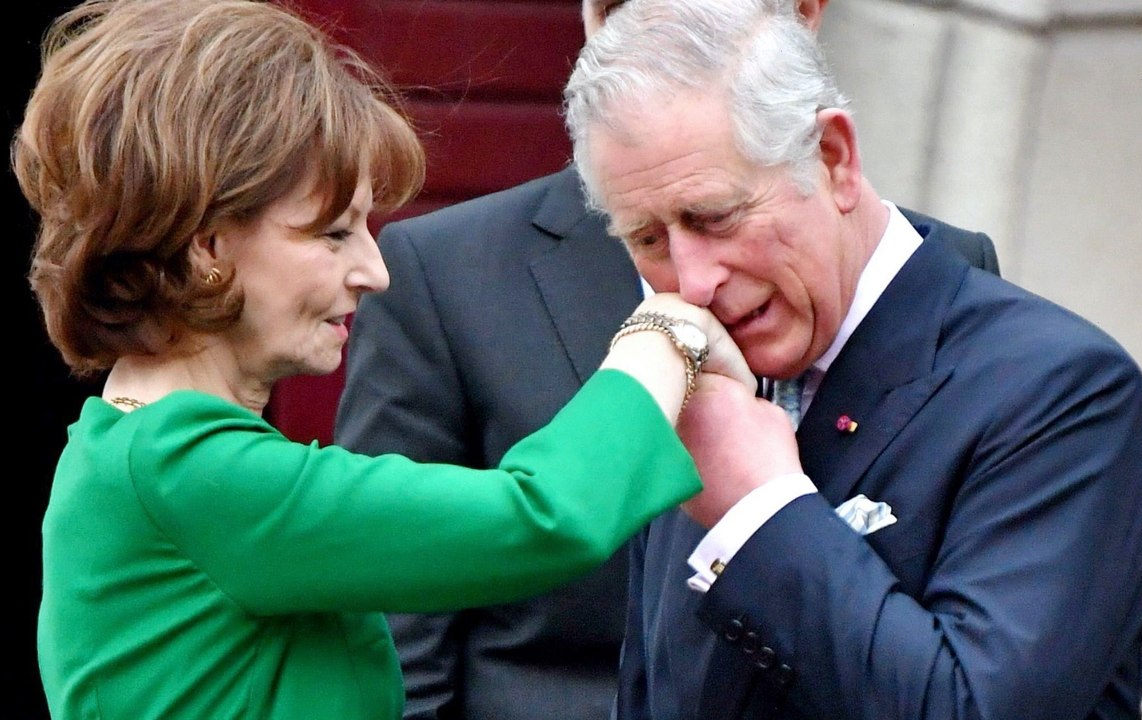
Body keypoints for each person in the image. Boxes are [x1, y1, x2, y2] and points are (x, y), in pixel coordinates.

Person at [15, 1, 782, 718]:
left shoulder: (136, 448)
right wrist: (666, 331)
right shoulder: (185, 468)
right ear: (208, 247)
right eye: (331, 233)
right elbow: (541, 518)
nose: (374, 273)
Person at [560, 0, 1142, 718]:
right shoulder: (699, 387)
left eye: (715, 217)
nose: (692, 279)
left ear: (833, 159)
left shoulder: (1059, 388)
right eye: (647, 239)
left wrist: (760, 511)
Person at [334, 2, 901, 720]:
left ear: (800, 14)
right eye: (611, 7)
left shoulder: (926, 275)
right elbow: (393, 632)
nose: (643, 27)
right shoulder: (444, 273)